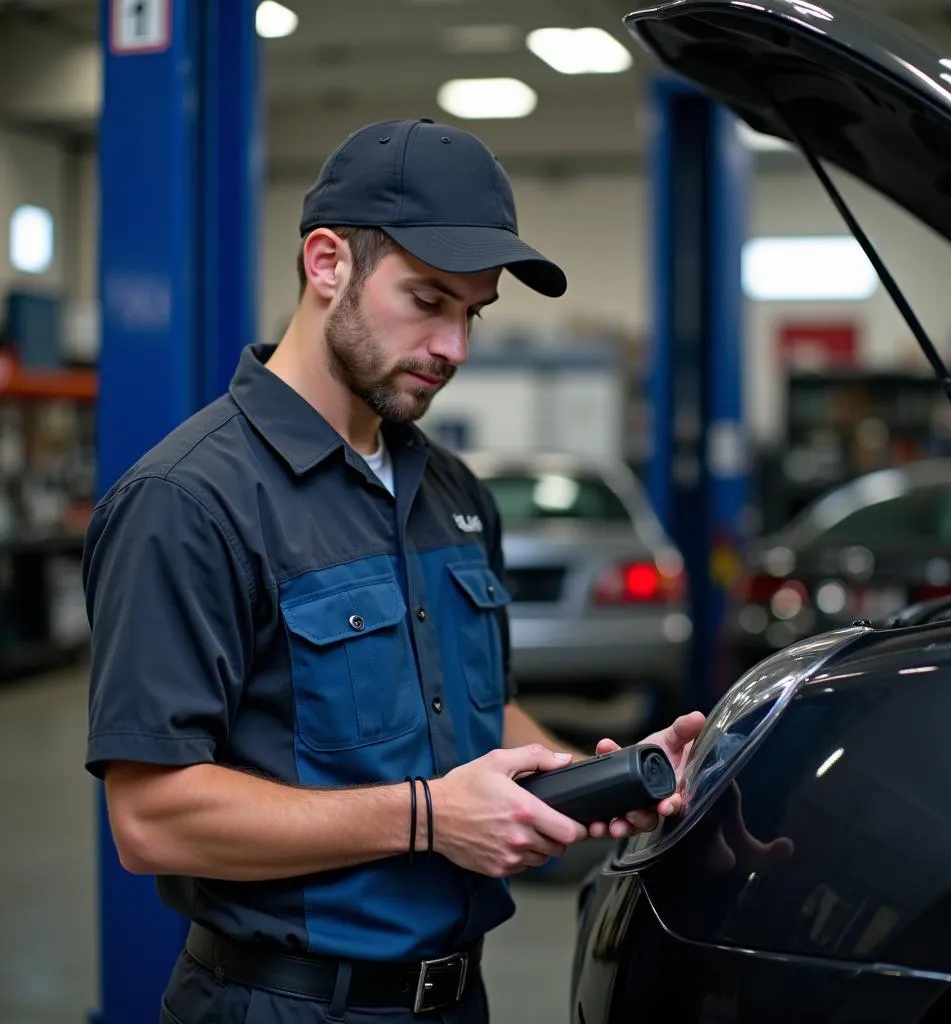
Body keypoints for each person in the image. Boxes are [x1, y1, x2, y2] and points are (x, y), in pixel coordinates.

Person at [82, 117, 706, 1024]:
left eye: (472, 313)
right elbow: (152, 821)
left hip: (455, 997)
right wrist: (428, 817)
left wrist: (589, 776)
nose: (455, 347)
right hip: (285, 1003)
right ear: (327, 263)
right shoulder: (190, 501)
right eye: (427, 300)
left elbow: (476, 711)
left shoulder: (449, 489)